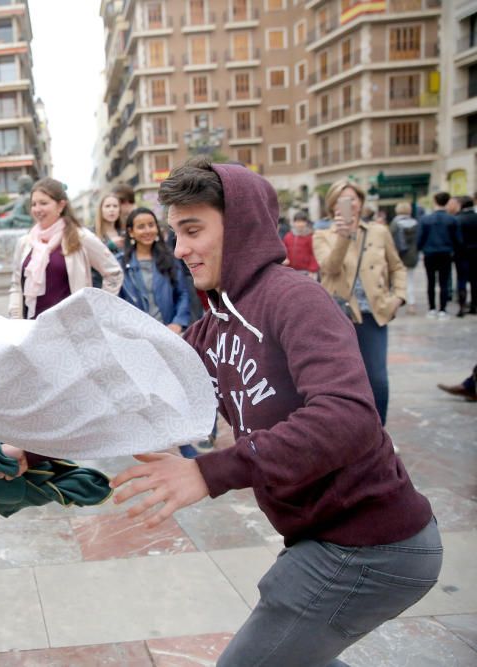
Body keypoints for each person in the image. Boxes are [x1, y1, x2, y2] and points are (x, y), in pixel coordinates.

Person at [103, 158, 440, 667]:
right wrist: (29, 448)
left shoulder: (295, 299)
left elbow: (348, 417)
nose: (181, 248)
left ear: (239, 228)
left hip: (372, 542)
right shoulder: (215, 326)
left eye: (193, 230)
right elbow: (137, 391)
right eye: (176, 232)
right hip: (319, 536)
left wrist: (208, 471)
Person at [313, 180, 406, 426]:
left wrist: (398, 297)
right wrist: (343, 236)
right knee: (341, 381)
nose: (349, 204)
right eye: (342, 199)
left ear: (361, 202)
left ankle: (377, 435)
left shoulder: (379, 231)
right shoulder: (322, 235)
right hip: (340, 317)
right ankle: (350, 434)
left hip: (374, 314)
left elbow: (397, 266)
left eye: (353, 198)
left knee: (377, 379)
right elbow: (330, 268)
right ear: (332, 205)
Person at [117, 206, 198, 458]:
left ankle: (185, 444)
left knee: (175, 390)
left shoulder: (170, 259)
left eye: (151, 225)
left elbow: (184, 294)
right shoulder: (120, 264)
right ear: (131, 231)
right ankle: (147, 441)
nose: (147, 230)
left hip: (167, 333)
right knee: (146, 392)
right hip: (138, 338)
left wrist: (178, 323)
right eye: (140, 226)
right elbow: (116, 301)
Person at [8, 178, 123, 320]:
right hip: (31, 329)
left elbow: (114, 273)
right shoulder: (25, 242)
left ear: (61, 206)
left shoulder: (81, 237)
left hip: (71, 331)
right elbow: (16, 284)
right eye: (34, 204)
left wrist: (98, 310)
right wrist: (15, 319)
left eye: (43, 203)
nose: (37, 209)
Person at [418, 192, 460, 319]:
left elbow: (420, 239)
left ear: (435, 201)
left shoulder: (425, 219)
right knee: (444, 282)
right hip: (445, 253)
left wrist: (421, 250)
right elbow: (458, 239)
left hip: (430, 253)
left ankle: (432, 308)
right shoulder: (452, 219)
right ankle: (442, 309)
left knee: (430, 281)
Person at [390, 202, 420, 315]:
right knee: (410, 280)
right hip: (412, 255)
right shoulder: (415, 223)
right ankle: (412, 304)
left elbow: (390, 241)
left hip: (397, 255)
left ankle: (397, 301)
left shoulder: (395, 223)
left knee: (397, 280)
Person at [90, 192, 124, 289]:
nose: (112, 210)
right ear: (101, 209)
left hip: (124, 286)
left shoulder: (124, 233)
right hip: (101, 285)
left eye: (115, 206)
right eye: (107, 206)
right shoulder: (92, 233)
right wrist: (110, 245)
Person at [452, 195, 476, 317]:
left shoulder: (457, 219)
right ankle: (474, 305)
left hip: (461, 254)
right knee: (475, 280)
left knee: (461, 280)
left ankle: (462, 306)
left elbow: (456, 239)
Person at [282, 211, 318, 277]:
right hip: (290, 270)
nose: (300, 224)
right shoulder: (288, 236)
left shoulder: (310, 237)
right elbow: (283, 249)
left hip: (306, 271)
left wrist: (312, 269)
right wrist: (284, 258)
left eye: (303, 221)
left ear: (306, 222)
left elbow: (314, 254)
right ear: (294, 223)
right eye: (298, 222)